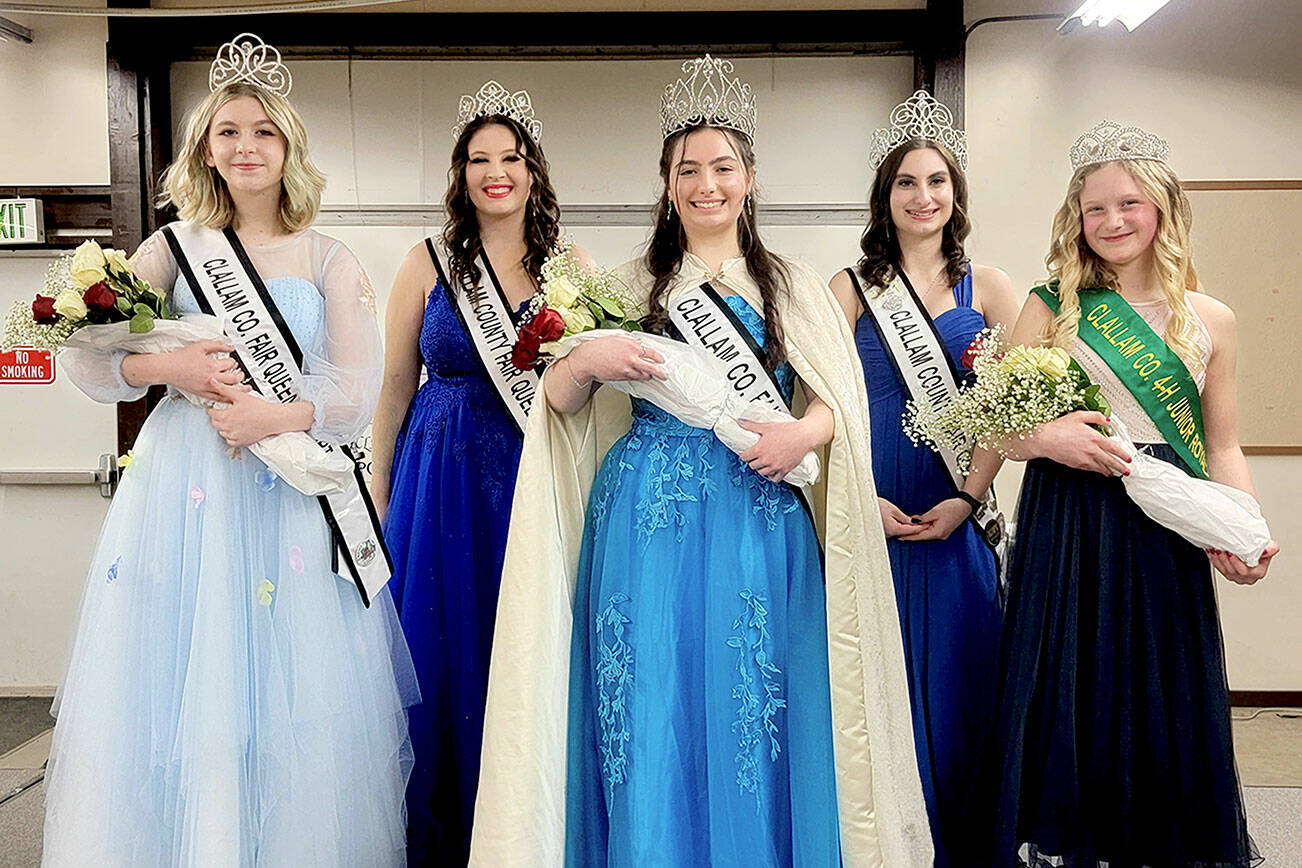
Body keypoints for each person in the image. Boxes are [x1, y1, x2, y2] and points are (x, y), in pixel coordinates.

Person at [469, 55, 932, 868]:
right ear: (667, 182)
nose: (706, 184)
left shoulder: (791, 286)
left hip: (758, 511)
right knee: (652, 699)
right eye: (689, 170)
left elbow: (837, 403)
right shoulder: (625, 283)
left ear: (750, 179)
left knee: (750, 701)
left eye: (723, 167)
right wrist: (584, 359)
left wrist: (805, 434)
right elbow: (567, 407)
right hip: (647, 514)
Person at [41, 36, 415, 867]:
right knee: (184, 672)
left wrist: (274, 417)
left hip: (287, 487)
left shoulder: (329, 257)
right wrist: (166, 366)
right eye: (228, 133)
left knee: (291, 690)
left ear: (290, 148)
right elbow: (85, 360)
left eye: (264, 132)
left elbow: (357, 392)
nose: (246, 148)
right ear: (204, 149)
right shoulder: (170, 251)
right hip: (186, 488)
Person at [985, 121, 1278, 867]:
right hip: (1069, 513)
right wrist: (1047, 440)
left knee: (1157, 685)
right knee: (1068, 685)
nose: (1112, 222)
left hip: (1164, 518)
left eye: (1129, 205)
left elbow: (1221, 445)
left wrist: (1244, 528)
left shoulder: (1212, 321)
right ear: (1076, 220)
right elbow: (990, 425)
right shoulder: (1052, 304)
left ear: (1163, 210)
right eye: (1095, 209)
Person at [369, 80, 568, 864]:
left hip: (527, 470)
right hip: (437, 478)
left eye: (510, 158)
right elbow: (392, 387)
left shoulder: (569, 264)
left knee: (518, 643)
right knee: (440, 652)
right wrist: (382, 495)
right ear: (460, 174)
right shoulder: (425, 262)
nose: (496, 173)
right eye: (479, 159)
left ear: (532, 171)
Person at [827, 90, 1018, 868]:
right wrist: (856, 498)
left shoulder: (993, 289)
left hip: (955, 510)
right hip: (872, 507)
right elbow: (821, 406)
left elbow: (1010, 409)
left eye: (937, 181)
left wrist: (967, 495)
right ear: (886, 197)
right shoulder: (846, 288)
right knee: (876, 687)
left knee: (961, 683)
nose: (923, 196)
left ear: (956, 195)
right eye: (907, 182)